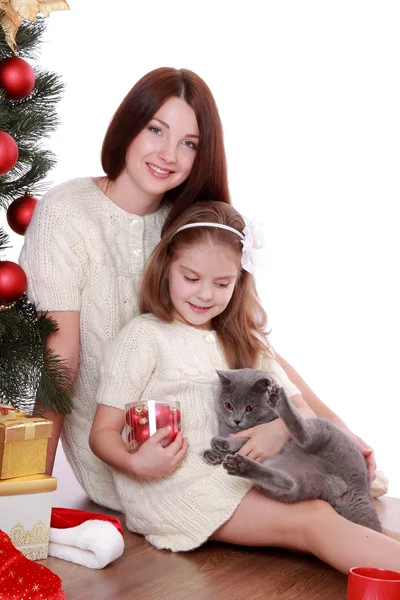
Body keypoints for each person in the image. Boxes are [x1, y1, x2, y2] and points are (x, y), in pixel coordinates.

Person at [20, 66, 375, 513]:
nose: (168, 154)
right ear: (128, 126)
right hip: (130, 457)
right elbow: (61, 359)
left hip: (219, 438)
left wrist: (335, 428)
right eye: (156, 130)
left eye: (188, 143)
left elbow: (246, 340)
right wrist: (29, 492)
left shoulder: (188, 222)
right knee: (317, 517)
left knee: (346, 500)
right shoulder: (66, 211)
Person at [89, 201, 400, 573]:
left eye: (222, 284)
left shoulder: (244, 340)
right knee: (314, 518)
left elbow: (301, 410)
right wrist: (134, 463)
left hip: (244, 475)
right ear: (166, 268)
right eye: (191, 278)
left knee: (348, 511)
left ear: (238, 281)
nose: (205, 295)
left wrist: (277, 427)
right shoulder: (144, 337)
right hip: (175, 489)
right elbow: (102, 433)